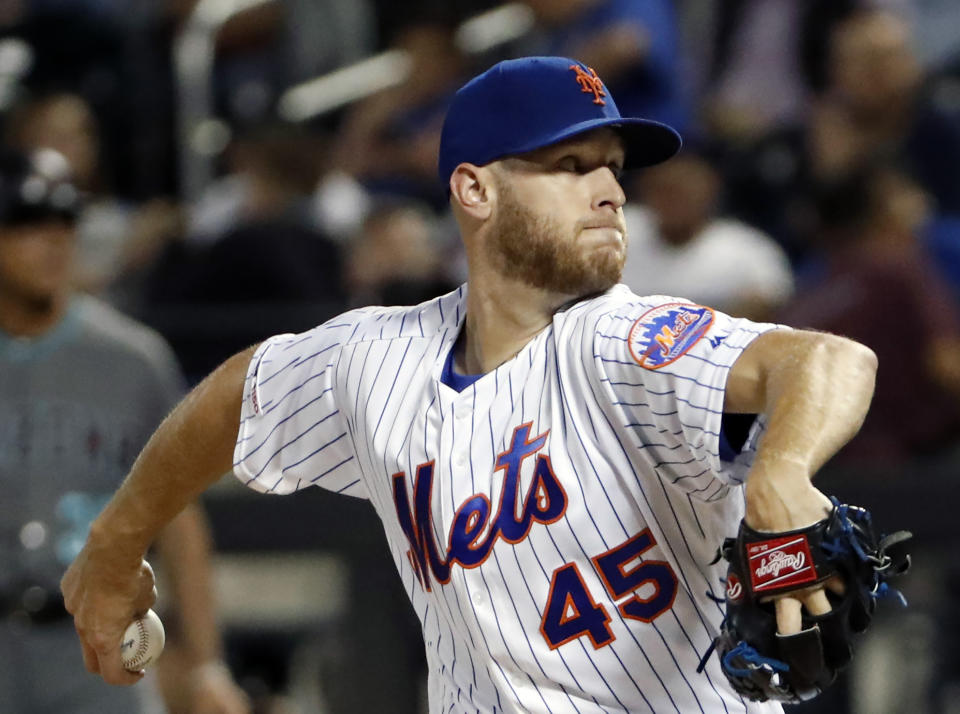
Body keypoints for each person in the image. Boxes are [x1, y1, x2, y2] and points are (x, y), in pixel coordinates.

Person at [62, 57, 881, 713]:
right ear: (474, 189)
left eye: (613, 168)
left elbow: (831, 359)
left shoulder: (623, 341)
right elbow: (241, 392)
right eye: (570, 165)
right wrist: (114, 544)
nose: (611, 191)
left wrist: (780, 471)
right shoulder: (377, 358)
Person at [0, 147, 249, 713]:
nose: (53, 240)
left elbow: (181, 520)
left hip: (98, 651)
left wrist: (208, 664)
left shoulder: (132, 359)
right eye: (27, 224)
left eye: (64, 221)